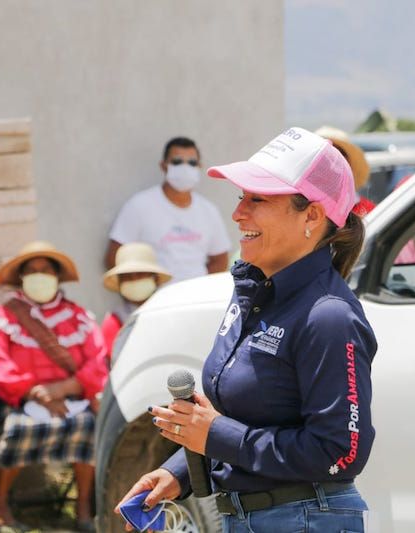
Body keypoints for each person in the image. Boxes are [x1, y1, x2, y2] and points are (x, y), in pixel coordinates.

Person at [116, 128, 378, 533]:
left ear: (312, 216)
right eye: (242, 197)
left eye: (258, 199)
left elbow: (340, 453)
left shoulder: (329, 316)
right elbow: (238, 417)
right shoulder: (253, 292)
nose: (239, 213)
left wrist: (216, 436)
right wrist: (179, 472)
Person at [0, 240, 108, 532]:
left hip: (71, 398)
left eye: (46, 270)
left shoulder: (78, 317)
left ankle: (83, 505)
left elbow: (98, 362)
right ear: (22, 278)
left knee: (88, 425)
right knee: (18, 429)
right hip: (22, 401)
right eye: (32, 270)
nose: (39, 275)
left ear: (57, 277)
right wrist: (38, 393)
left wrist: (63, 389)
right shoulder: (3, 318)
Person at [105, 137, 231, 283]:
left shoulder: (209, 211)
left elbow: (220, 259)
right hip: (156, 301)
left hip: (197, 300)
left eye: (192, 162)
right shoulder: (139, 206)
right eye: (177, 162)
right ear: (164, 166)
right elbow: (113, 258)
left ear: (199, 166)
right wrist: (140, 294)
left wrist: (201, 287)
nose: (185, 167)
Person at [101, 242, 171, 360]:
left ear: (154, 277)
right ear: (120, 283)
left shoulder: (171, 310)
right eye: (127, 276)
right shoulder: (115, 320)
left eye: (140, 274)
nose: (134, 279)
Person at [315, 126, 375, 216]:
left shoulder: (366, 211)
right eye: (323, 152)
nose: (331, 160)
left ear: (349, 164)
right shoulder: (294, 202)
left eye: (338, 153)